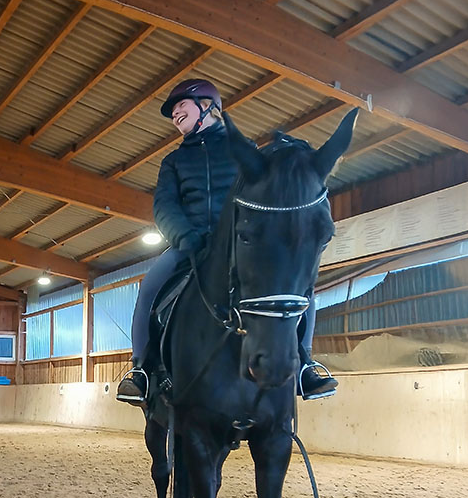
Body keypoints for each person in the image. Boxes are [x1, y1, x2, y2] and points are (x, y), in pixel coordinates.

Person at [115, 79, 337, 404]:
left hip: (238, 242)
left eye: (182, 106)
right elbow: (164, 206)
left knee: (300, 288)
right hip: (188, 243)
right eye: (173, 111)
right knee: (148, 288)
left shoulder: (242, 152)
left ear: (209, 106)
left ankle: (304, 363)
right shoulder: (173, 162)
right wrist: (185, 237)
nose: (175, 113)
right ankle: (142, 369)